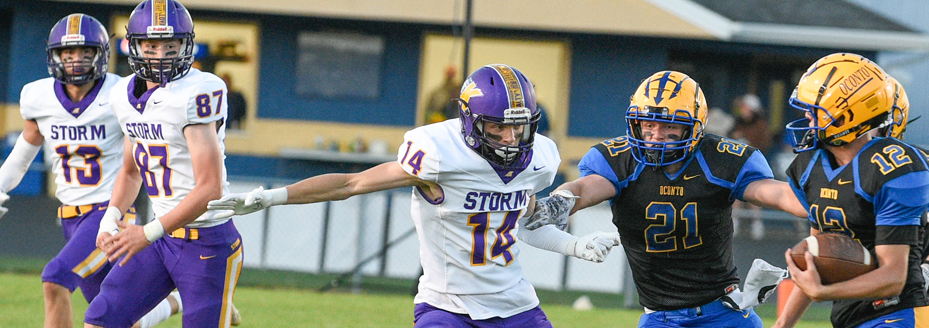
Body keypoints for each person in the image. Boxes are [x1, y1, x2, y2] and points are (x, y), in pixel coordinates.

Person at [207, 64, 622, 327]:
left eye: (519, 127)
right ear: (471, 122)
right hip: (446, 308)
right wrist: (273, 196)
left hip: (516, 307)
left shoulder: (540, 158)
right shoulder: (440, 154)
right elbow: (350, 184)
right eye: (498, 127)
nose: (511, 138)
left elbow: (522, 223)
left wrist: (574, 244)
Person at [523, 70, 808, 327]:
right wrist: (558, 202)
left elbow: (773, 192)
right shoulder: (620, 159)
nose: (656, 135)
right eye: (648, 124)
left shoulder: (719, 158)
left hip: (724, 312)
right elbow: (584, 188)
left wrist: (823, 206)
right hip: (660, 316)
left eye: (669, 126)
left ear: (694, 127)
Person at [0, 13, 184, 328]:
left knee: (55, 279)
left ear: (101, 55)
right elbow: (23, 154)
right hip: (71, 217)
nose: (75, 60)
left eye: (85, 52)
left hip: (109, 214)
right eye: (67, 53)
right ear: (53, 56)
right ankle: (181, 300)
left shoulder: (121, 92)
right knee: (115, 318)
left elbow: (148, 145)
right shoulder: (38, 96)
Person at [84, 1, 242, 327]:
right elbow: (130, 170)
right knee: (100, 319)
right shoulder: (122, 94)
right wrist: (110, 219)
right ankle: (177, 301)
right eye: (152, 45)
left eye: (171, 45)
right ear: (135, 45)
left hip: (206, 243)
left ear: (186, 44)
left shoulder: (199, 91)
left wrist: (147, 232)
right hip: (162, 239)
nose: (161, 55)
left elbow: (210, 187)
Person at [774, 53, 929, 328]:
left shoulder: (896, 168)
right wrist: (783, 323)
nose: (807, 117)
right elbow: (821, 250)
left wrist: (824, 292)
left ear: (847, 116)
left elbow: (894, 276)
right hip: (851, 312)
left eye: (815, 110)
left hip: (900, 310)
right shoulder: (812, 165)